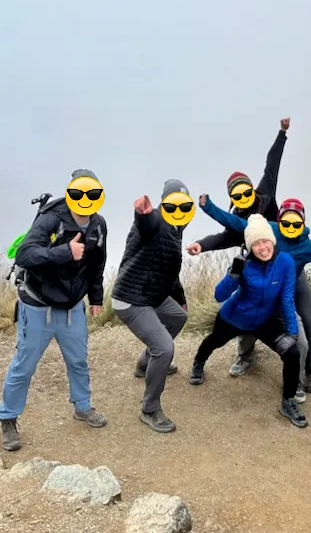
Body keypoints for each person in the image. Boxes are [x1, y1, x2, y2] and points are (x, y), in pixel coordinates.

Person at [0, 168, 108, 452]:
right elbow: (25, 254)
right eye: (80, 193)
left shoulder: (99, 225)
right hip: (37, 307)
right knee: (24, 366)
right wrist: (64, 252)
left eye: (92, 193)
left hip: (73, 308)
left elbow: (97, 264)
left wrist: (96, 298)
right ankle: (8, 419)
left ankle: (82, 407)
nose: (86, 198)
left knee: (79, 361)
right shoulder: (50, 219)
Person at [198, 194, 311, 399]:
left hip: (289, 285)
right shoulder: (268, 231)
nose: (290, 226)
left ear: (303, 222)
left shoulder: (307, 246)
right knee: (248, 316)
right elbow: (235, 222)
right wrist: (209, 207)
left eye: (296, 222)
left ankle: (305, 375)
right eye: (286, 221)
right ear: (279, 220)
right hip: (263, 288)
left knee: (306, 326)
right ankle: (245, 357)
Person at [186, 118, 290, 378]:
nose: (243, 199)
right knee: (245, 310)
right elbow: (221, 238)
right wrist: (200, 244)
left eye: (245, 193)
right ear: (232, 198)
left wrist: (282, 133)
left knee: (285, 307)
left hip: (282, 263)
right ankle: (244, 356)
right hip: (254, 270)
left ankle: (297, 358)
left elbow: (272, 164)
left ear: (252, 189)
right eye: (237, 196)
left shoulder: (265, 195)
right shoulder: (237, 223)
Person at [188, 214, 308, 428]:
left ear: (273, 240)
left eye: (265, 241)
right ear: (249, 246)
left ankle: (288, 401)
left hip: (263, 321)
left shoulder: (285, 262)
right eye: (256, 243)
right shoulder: (243, 264)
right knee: (215, 341)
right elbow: (219, 296)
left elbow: (287, 298)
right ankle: (199, 362)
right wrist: (233, 274)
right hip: (234, 317)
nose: (262, 247)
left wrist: (292, 332)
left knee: (292, 351)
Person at [111, 179, 194, 433]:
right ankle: (150, 409)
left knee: (178, 317)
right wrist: (143, 215)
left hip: (152, 296)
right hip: (131, 299)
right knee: (165, 348)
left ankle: (145, 363)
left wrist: (180, 298)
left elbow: (170, 272)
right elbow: (146, 228)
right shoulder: (156, 222)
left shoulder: (176, 230)